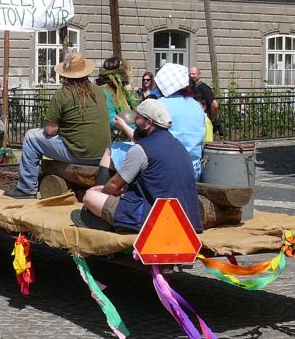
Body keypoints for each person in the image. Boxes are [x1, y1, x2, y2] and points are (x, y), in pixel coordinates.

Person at [82, 99, 204, 233]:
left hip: (154, 219)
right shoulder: (179, 146)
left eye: (138, 118)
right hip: (188, 220)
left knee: (90, 196)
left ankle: (101, 218)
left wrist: (102, 194)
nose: (134, 121)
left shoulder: (141, 150)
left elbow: (114, 184)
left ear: (149, 123)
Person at [6, 52, 109, 199]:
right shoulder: (99, 91)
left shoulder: (62, 94)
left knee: (31, 136)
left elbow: (50, 130)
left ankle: (26, 188)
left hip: (78, 153)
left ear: (65, 74)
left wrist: (65, 127)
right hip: (103, 155)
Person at [154, 63, 206, 180]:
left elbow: (146, 139)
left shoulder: (160, 105)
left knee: (113, 151)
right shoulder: (196, 106)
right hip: (194, 169)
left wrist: (124, 127)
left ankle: (105, 194)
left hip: (166, 169)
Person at [96, 56, 135, 140]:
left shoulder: (119, 91)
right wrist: (135, 127)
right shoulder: (105, 92)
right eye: (123, 74)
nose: (126, 77)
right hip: (110, 141)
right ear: (116, 76)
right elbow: (112, 120)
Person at [189, 66, 220, 135]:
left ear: (199, 75)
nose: (191, 76)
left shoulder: (204, 88)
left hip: (205, 120)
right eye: (190, 74)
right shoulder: (192, 87)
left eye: (193, 74)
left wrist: (212, 118)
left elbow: (214, 104)